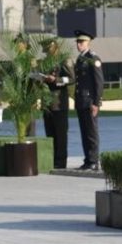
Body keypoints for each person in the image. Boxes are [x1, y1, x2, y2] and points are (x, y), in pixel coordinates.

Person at [73, 30, 103, 170]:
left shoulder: (93, 58)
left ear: (88, 43)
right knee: (84, 132)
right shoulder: (80, 59)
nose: (79, 45)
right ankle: (87, 159)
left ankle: (94, 160)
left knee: (91, 132)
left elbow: (98, 82)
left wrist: (96, 103)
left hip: (90, 101)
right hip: (81, 101)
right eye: (78, 42)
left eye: (82, 42)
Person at [42, 38, 72, 169]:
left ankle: (60, 162)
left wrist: (56, 80)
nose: (48, 50)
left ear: (56, 48)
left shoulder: (64, 60)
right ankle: (52, 159)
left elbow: (71, 78)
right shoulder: (45, 62)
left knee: (60, 135)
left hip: (59, 103)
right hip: (47, 103)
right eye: (46, 49)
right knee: (50, 133)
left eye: (50, 48)